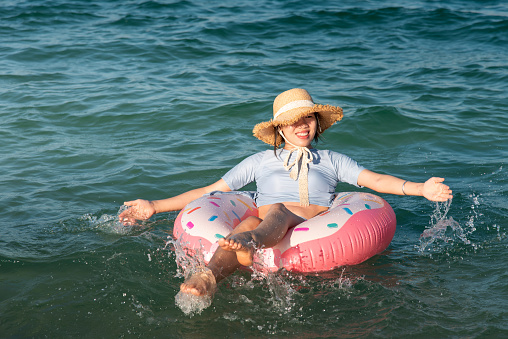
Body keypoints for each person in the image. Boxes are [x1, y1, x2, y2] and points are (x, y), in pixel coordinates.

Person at [119, 88, 452, 297]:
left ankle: (248, 246)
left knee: (273, 213)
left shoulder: (331, 160)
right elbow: (209, 191)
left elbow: (376, 181)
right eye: (293, 120)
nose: (303, 124)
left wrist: (420, 188)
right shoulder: (261, 161)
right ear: (279, 129)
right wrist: (154, 205)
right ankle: (207, 279)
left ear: (317, 123)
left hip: (307, 216)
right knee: (247, 226)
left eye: (308, 118)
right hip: (264, 217)